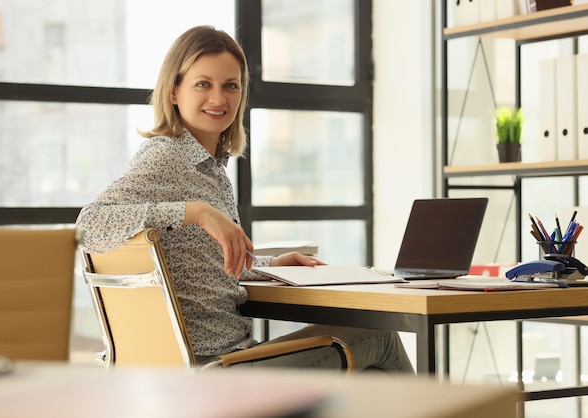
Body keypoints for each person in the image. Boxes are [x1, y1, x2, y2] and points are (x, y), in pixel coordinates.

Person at [76, 25, 413, 373]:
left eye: (230, 86)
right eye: (203, 84)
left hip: (215, 366)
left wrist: (271, 267)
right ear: (174, 91)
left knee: (364, 384)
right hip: (216, 371)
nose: (219, 99)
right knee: (379, 338)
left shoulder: (210, 168)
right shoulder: (167, 157)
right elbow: (89, 225)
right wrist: (197, 212)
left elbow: (210, 270)